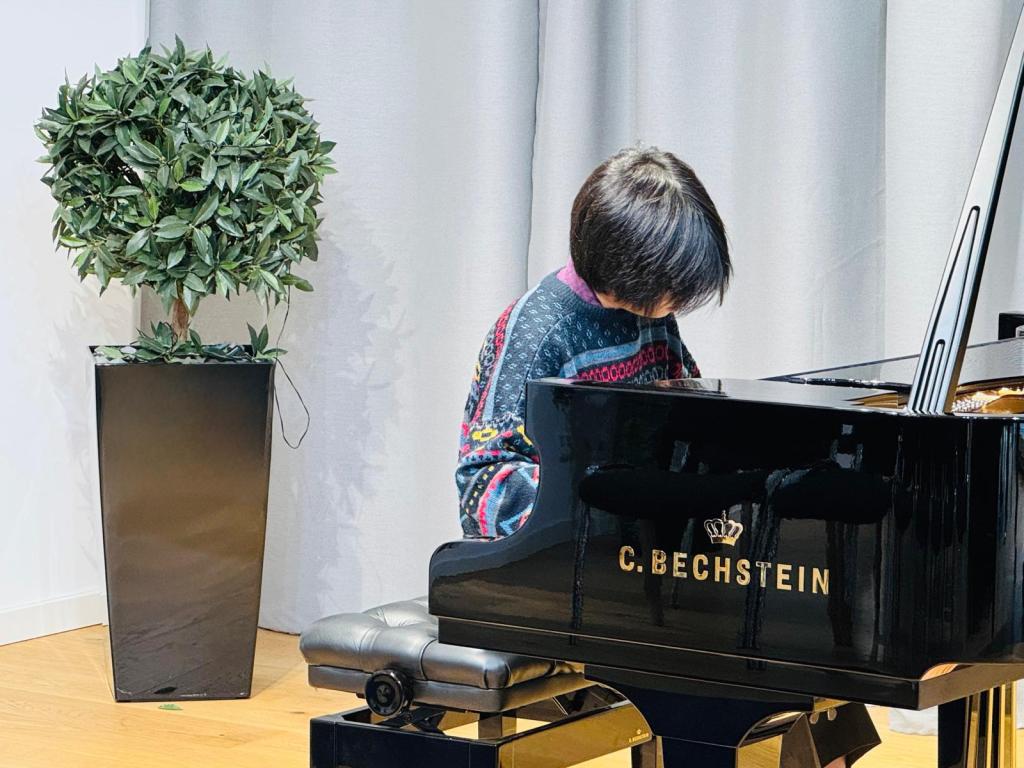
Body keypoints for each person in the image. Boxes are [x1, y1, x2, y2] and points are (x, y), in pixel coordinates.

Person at [454, 145, 878, 767]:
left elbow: (691, 420)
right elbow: (482, 486)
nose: (677, 298)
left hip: (637, 553)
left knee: (799, 615)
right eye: (671, 284)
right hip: (558, 570)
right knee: (726, 637)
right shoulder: (536, 331)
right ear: (626, 264)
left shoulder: (650, 317)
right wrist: (600, 516)